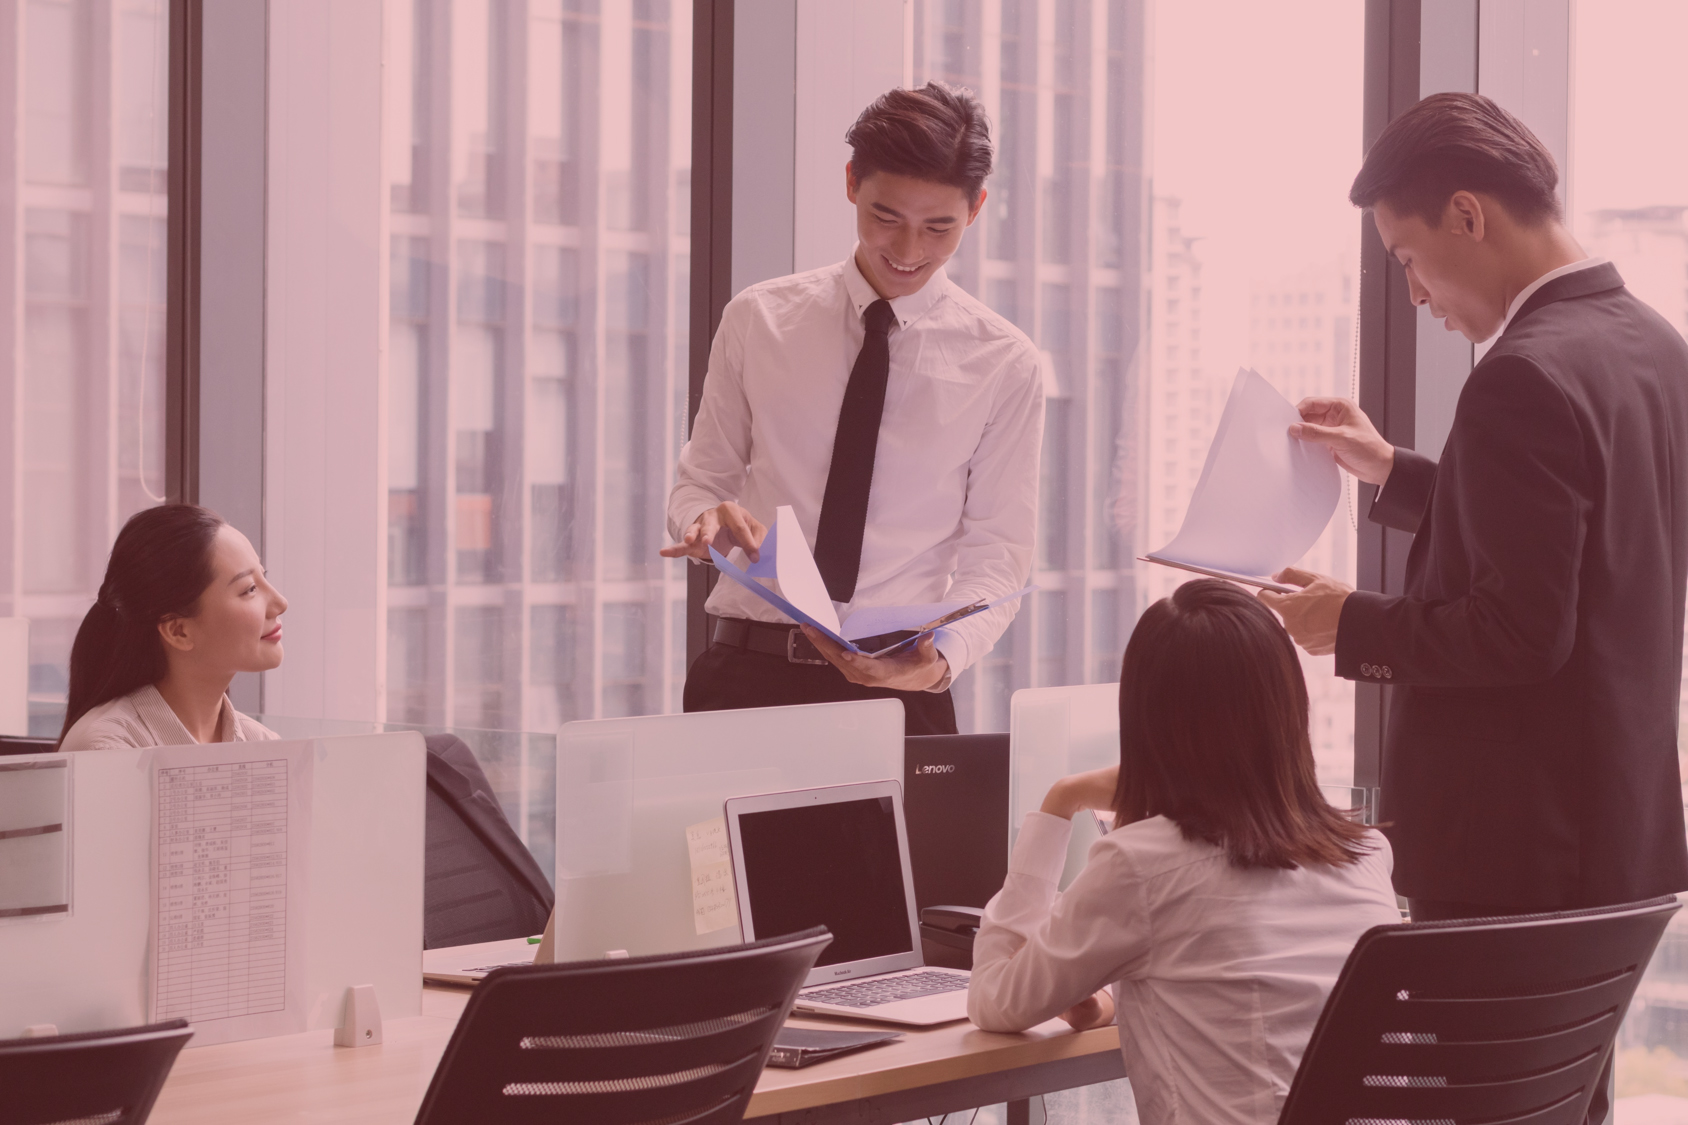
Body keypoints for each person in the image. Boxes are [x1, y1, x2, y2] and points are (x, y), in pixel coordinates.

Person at [1257, 92, 1688, 1125]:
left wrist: (1349, 623)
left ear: (1466, 214)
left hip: (1513, 860)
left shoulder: (1520, 375)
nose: (1414, 294)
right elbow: (1587, 544)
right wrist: (1392, 470)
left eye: (1407, 258)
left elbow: (1519, 631)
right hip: (1612, 843)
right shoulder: (1651, 344)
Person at [661, 82, 1043, 735]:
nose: (908, 250)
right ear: (850, 184)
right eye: (885, 217)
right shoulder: (759, 319)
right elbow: (700, 483)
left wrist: (940, 663)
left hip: (901, 689)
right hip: (745, 676)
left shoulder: (1004, 362)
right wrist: (705, 522)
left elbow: (998, 552)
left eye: (939, 227)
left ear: (976, 208)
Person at [968, 580, 1398, 1125]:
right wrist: (1118, 998)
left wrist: (1061, 801)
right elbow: (1265, 989)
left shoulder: (1139, 865)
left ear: (1146, 720)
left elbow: (996, 1001)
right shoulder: (1365, 853)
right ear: (1288, 708)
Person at [58, 504, 288, 752]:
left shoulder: (263, 744)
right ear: (178, 631)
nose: (281, 603)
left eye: (264, 576)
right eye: (249, 589)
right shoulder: (108, 748)